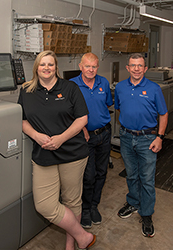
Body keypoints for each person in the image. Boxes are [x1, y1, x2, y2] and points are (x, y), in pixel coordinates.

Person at [17, 50, 96, 250]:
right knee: (44, 205)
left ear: (56, 68)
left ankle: (71, 245)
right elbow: (23, 120)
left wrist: (61, 138)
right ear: (36, 67)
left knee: (72, 200)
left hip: (72, 153)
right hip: (43, 153)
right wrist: (36, 135)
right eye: (42, 64)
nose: (46, 68)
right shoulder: (26, 90)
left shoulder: (69, 88)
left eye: (50, 64)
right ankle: (82, 236)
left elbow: (82, 119)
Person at [114, 53, 168, 237]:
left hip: (148, 139)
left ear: (145, 69)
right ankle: (133, 202)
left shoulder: (154, 89)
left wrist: (159, 137)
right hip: (127, 137)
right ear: (127, 68)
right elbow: (119, 107)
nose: (136, 69)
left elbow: (163, 113)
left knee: (146, 178)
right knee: (131, 174)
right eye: (133, 65)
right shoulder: (120, 87)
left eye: (140, 66)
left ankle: (146, 214)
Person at [70, 53, 113, 228]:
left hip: (104, 134)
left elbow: (107, 104)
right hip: (84, 137)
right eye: (87, 66)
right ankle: (85, 209)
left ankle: (94, 205)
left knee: (102, 172)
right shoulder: (72, 85)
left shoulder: (103, 83)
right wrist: (82, 127)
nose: (91, 70)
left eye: (94, 66)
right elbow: (67, 111)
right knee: (88, 175)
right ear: (80, 66)